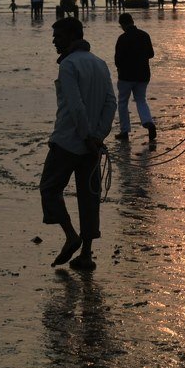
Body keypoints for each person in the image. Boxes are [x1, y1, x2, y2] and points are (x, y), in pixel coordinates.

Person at [39, 17, 117, 272]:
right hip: (91, 145)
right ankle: (86, 254)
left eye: (58, 36)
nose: (53, 41)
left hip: (67, 141)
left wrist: (86, 135)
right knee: (89, 197)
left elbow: (75, 106)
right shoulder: (100, 64)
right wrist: (98, 136)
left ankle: (70, 235)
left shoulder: (69, 65)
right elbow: (110, 103)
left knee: (50, 188)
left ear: (72, 37)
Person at [113, 13, 157, 142]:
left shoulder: (122, 38)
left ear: (122, 24)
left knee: (122, 103)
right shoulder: (144, 35)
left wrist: (123, 66)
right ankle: (148, 122)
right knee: (141, 100)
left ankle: (125, 131)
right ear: (132, 21)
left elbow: (118, 60)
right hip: (143, 74)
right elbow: (151, 54)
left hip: (126, 76)